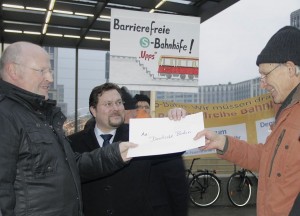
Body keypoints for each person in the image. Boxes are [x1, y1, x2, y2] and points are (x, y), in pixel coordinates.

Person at [169, 26, 300, 216]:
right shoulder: (284, 110)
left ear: (289, 68)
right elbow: (267, 158)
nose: (262, 84)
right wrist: (222, 143)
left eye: (265, 74)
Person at [0, 41, 135, 216]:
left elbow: (70, 165)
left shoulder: (39, 117)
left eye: (50, 71)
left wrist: (114, 154)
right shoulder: (5, 115)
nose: (50, 78)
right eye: (42, 71)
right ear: (13, 70)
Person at [68, 83, 154, 216]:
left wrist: (177, 121)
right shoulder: (73, 143)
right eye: (108, 104)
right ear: (93, 110)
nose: (116, 108)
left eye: (119, 102)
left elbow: (171, 148)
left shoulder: (140, 137)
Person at [134, 94, 188, 216]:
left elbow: (178, 188)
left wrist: (179, 116)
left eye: (146, 107)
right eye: (138, 107)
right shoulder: (123, 138)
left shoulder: (162, 137)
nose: (142, 110)